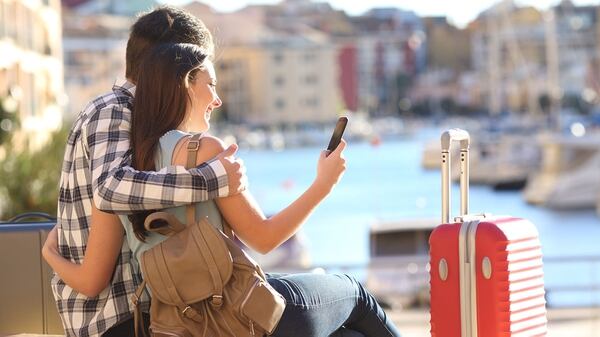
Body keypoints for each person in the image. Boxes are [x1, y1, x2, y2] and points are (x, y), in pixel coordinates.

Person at [47, 40, 401, 337]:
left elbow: (92, 279)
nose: (217, 99)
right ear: (185, 84)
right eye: (211, 84)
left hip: (180, 324)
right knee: (355, 293)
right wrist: (323, 184)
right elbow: (264, 238)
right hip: (242, 314)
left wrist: (49, 254)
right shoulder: (206, 151)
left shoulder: (120, 175)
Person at [42, 6, 247, 337]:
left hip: (151, 310)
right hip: (122, 318)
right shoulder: (113, 110)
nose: (208, 93)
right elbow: (110, 188)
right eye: (199, 73)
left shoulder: (150, 125)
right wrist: (212, 179)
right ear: (173, 66)